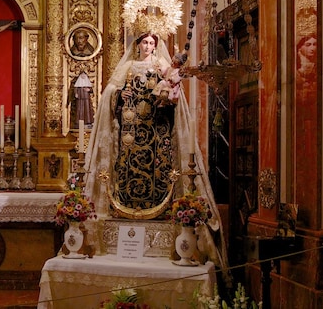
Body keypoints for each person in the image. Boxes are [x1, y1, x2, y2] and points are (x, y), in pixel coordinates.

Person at [83, 28, 225, 269]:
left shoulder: (163, 66)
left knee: (158, 174)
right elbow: (110, 95)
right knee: (127, 172)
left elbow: (174, 96)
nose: (148, 46)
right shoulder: (127, 68)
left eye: (152, 42)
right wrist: (119, 94)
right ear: (137, 44)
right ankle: (126, 208)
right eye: (144, 42)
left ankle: (160, 209)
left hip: (157, 134)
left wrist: (167, 95)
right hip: (130, 137)